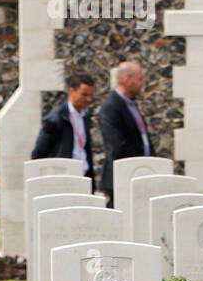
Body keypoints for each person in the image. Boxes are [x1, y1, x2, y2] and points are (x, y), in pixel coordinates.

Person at [98, 60, 153, 206]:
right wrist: (141, 164)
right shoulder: (111, 107)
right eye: (140, 78)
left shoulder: (132, 104)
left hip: (142, 174)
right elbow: (117, 145)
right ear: (126, 80)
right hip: (124, 177)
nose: (143, 83)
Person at [32, 71, 96, 180]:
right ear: (72, 91)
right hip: (64, 176)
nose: (88, 99)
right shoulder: (56, 118)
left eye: (91, 95)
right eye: (84, 95)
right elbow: (40, 151)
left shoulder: (85, 117)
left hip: (84, 175)